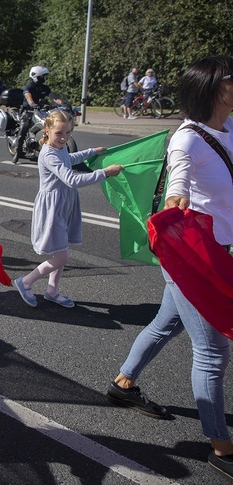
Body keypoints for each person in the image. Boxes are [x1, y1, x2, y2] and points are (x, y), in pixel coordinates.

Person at [106, 55, 233, 478]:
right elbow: (178, 179)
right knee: (213, 352)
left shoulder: (229, 129)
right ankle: (220, 447)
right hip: (197, 260)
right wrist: (175, 200)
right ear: (214, 88)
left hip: (224, 252)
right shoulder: (188, 139)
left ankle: (124, 384)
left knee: (167, 322)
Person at [13, 110, 123, 308]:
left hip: (64, 203)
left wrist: (92, 152)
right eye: (59, 133)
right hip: (53, 207)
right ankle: (26, 281)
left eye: (68, 133)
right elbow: (72, 179)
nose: (64, 138)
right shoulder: (48, 154)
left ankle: (52, 291)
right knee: (62, 256)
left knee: (60, 252)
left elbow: (70, 159)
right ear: (47, 131)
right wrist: (105, 173)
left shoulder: (59, 148)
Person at [12, 66, 63, 164]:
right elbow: (28, 95)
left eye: (44, 76)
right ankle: (17, 153)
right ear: (36, 77)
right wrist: (32, 104)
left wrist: (61, 103)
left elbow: (53, 97)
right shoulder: (29, 87)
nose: (44, 79)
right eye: (42, 76)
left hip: (40, 111)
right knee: (23, 129)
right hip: (28, 111)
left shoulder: (45, 88)